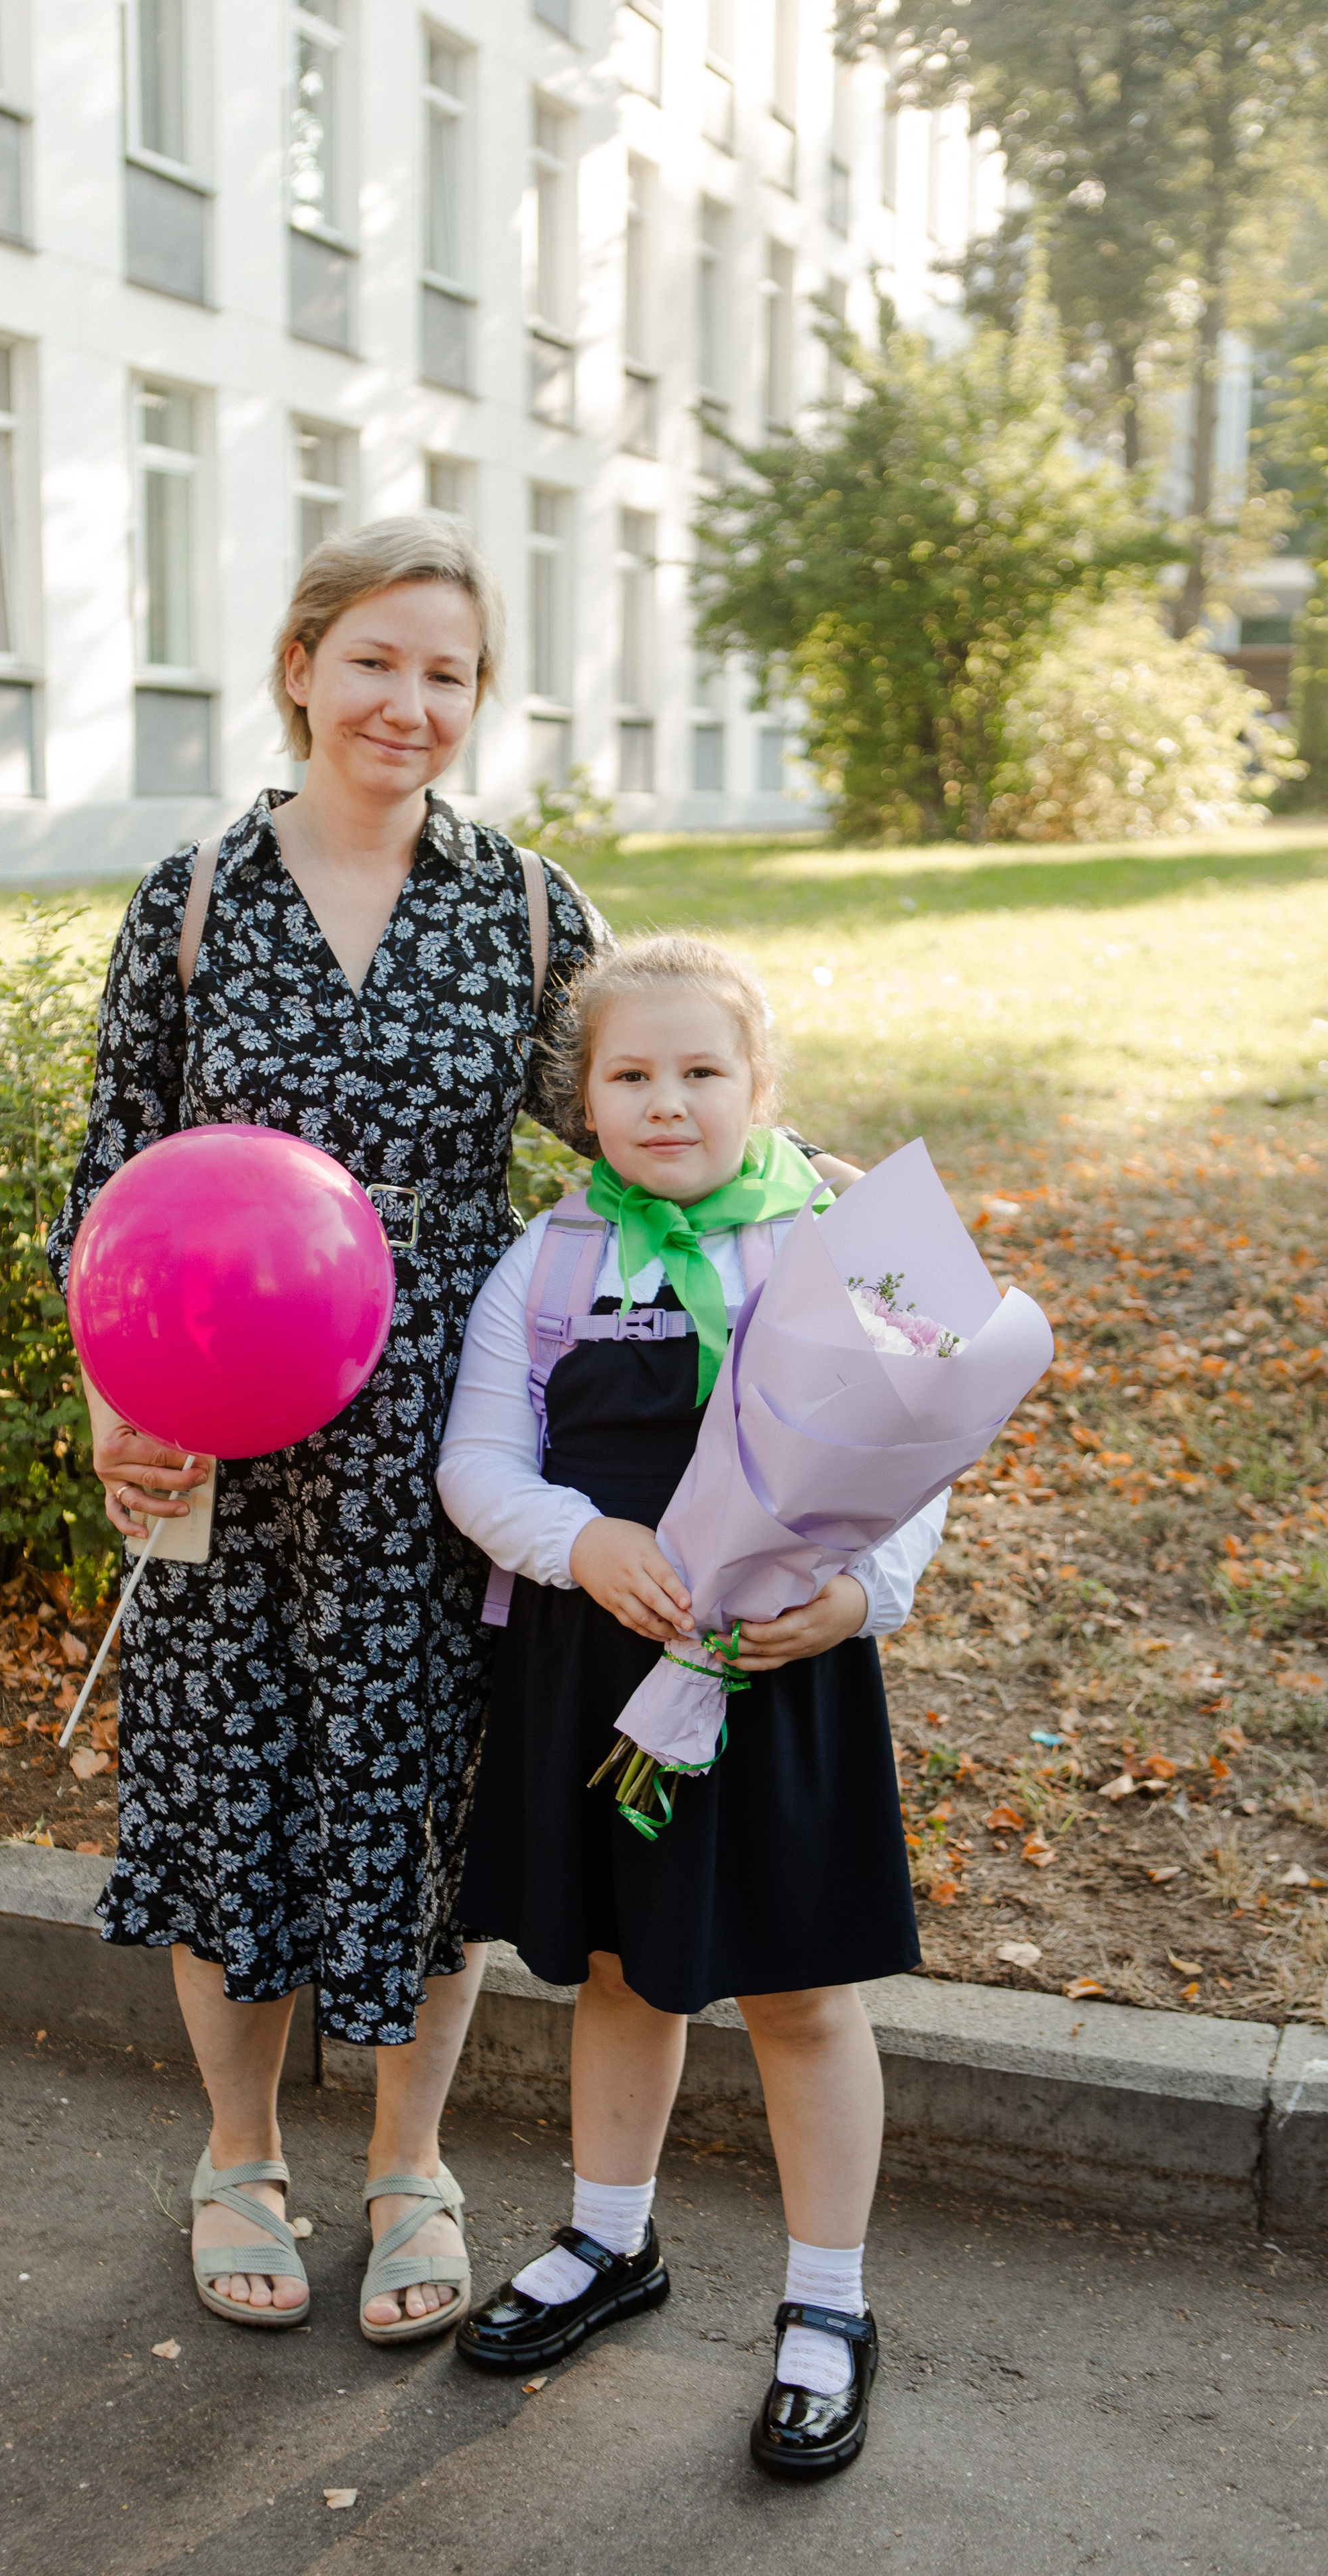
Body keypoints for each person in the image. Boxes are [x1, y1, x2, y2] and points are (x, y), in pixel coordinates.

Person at [50, 523, 862, 2347]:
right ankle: (239, 2155)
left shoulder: (525, 909)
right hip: (220, 1437)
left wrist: (830, 1231)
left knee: (424, 1798)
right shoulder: (191, 899)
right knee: (223, 1784)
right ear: (300, 665)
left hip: (451, 1434)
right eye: (377, 662)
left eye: (449, 674)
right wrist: (119, 1412)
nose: (409, 704)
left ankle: (411, 2167)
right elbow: (110, 1177)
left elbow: (655, 1149)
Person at [436, 936, 946, 2475]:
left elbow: (919, 1452)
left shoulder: (850, 1242)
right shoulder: (544, 1264)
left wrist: (859, 1599)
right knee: (619, 1970)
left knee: (795, 1993)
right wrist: (578, 1545)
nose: (667, 1104)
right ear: (582, 1102)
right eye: (631, 1076)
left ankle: (827, 2304)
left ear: (757, 1086)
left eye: (700, 1073)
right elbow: (476, 1467)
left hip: (783, 1677)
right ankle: (610, 2243)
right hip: (600, 1667)